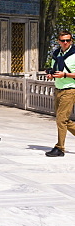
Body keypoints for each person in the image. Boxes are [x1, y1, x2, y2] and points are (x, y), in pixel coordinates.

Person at [45, 29, 75, 157]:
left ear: (71, 41)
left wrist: (65, 75)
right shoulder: (56, 53)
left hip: (70, 89)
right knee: (63, 120)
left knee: (61, 119)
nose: (65, 43)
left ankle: (60, 148)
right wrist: (52, 75)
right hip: (58, 88)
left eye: (68, 40)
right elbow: (55, 69)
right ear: (58, 41)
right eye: (63, 41)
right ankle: (59, 147)